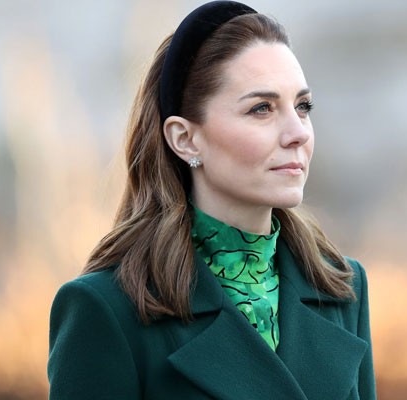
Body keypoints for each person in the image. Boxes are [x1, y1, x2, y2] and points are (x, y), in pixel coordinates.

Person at [47, 1, 376, 399]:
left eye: (302, 107)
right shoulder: (109, 309)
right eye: (261, 109)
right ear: (185, 139)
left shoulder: (341, 287)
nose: (298, 133)